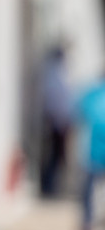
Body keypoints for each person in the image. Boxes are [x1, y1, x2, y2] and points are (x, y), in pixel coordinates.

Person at [39, 43, 72, 197]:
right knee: (55, 156)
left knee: (57, 157)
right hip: (57, 123)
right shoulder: (55, 74)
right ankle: (49, 186)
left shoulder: (57, 73)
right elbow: (56, 101)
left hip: (59, 122)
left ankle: (52, 186)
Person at [77, 75, 105, 230]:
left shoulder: (91, 95)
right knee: (88, 189)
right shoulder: (93, 95)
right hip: (94, 150)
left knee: (88, 189)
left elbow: (80, 114)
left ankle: (87, 224)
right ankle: (87, 224)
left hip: (94, 151)